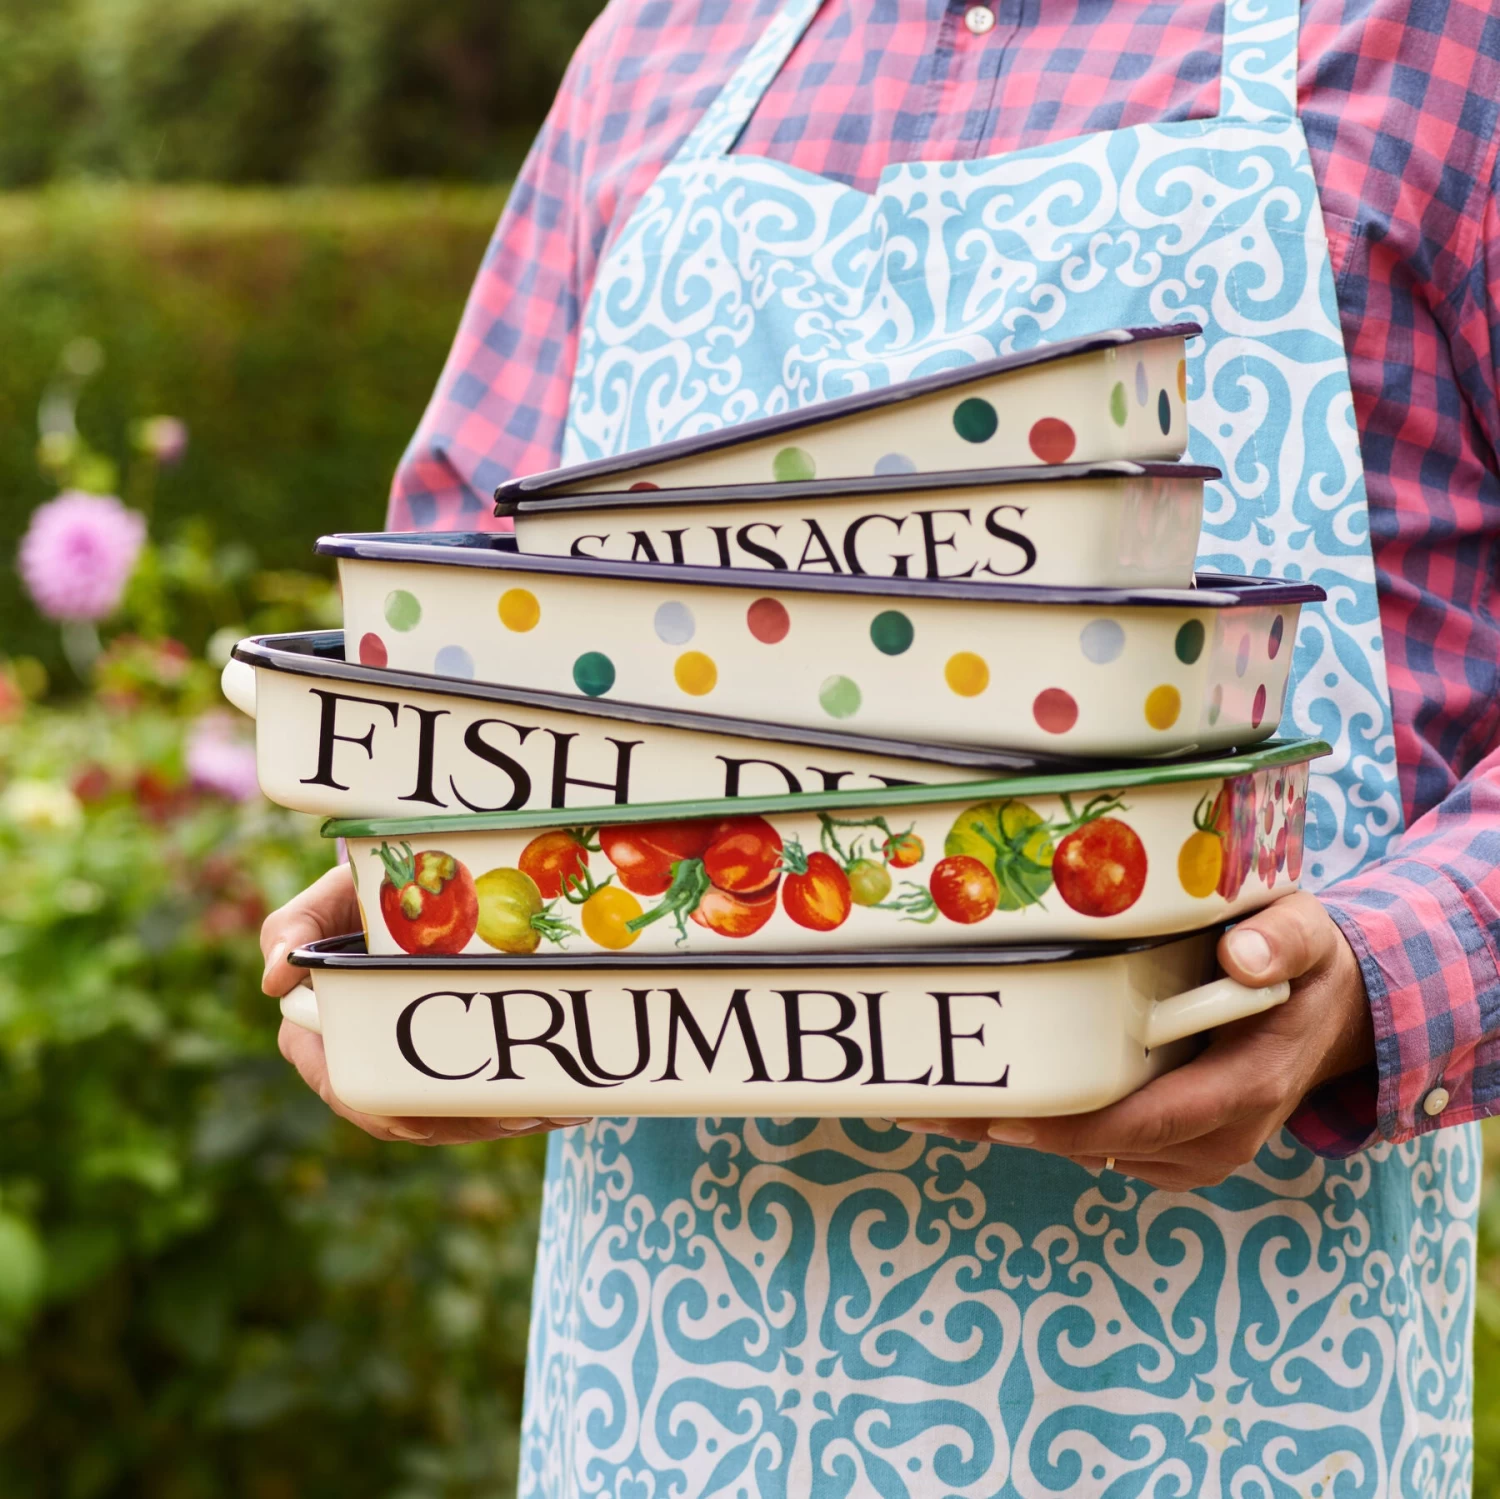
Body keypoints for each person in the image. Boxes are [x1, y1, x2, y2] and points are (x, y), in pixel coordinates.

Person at [261, 1, 1500, 1492]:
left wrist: (1367, 978)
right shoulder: (652, 52)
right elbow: (458, 614)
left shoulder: (1438, 42)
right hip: (668, 1400)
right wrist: (421, 907)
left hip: (1234, 1388)